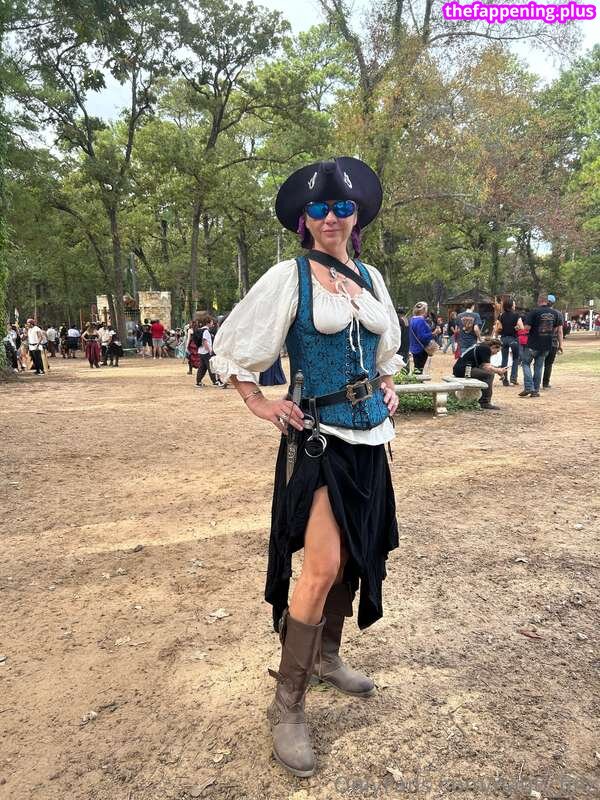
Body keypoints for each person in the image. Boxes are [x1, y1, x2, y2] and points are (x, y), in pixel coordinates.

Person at [211, 157, 401, 778]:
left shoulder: (372, 277)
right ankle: (286, 705)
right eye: (318, 209)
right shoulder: (289, 277)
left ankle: (326, 656)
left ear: (357, 215)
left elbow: (386, 349)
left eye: (342, 207)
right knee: (319, 566)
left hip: (371, 437)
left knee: (350, 556)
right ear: (304, 220)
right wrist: (258, 400)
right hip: (320, 440)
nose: (331, 218)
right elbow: (235, 347)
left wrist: (388, 383)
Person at [519, 293, 562, 398]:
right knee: (539, 367)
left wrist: (521, 327)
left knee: (525, 363)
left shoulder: (534, 312)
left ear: (539, 301)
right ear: (547, 301)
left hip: (533, 343)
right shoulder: (555, 313)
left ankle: (529, 387)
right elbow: (556, 329)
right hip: (546, 344)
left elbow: (527, 328)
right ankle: (535, 390)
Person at [452, 337, 507, 410]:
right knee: (489, 375)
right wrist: (498, 370)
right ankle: (484, 402)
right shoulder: (486, 349)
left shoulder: (481, 346)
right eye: (497, 351)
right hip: (464, 369)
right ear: (493, 347)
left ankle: (481, 399)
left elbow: (484, 366)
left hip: (460, 369)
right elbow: (486, 367)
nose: (496, 353)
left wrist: (498, 371)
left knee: (488, 373)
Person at [495, 297, 521, 386]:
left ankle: (504, 380)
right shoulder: (516, 315)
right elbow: (521, 327)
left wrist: (496, 338)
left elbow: (497, 328)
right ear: (511, 305)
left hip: (503, 339)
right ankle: (513, 378)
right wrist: (516, 328)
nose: (515, 305)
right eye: (514, 304)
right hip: (513, 339)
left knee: (504, 359)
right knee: (515, 359)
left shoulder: (501, 316)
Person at [542, 294, 564, 389]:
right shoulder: (558, 314)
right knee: (548, 364)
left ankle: (535, 382)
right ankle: (545, 383)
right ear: (553, 303)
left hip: (540, 341)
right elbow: (560, 331)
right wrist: (561, 345)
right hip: (553, 342)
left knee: (538, 363)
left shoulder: (539, 312)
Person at [194, 314, 220, 387]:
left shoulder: (201, 330)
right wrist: (209, 351)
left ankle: (198, 382)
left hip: (201, 351)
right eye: (211, 322)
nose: (212, 323)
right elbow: (204, 341)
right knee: (211, 367)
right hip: (206, 352)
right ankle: (215, 382)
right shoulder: (206, 331)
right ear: (208, 323)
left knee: (202, 367)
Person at [409, 301, 435, 373]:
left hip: (414, 347)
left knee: (417, 368)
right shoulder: (421, 320)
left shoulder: (412, 320)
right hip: (421, 349)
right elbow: (422, 337)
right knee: (419, 370)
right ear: (424, 310)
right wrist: (433, 333)